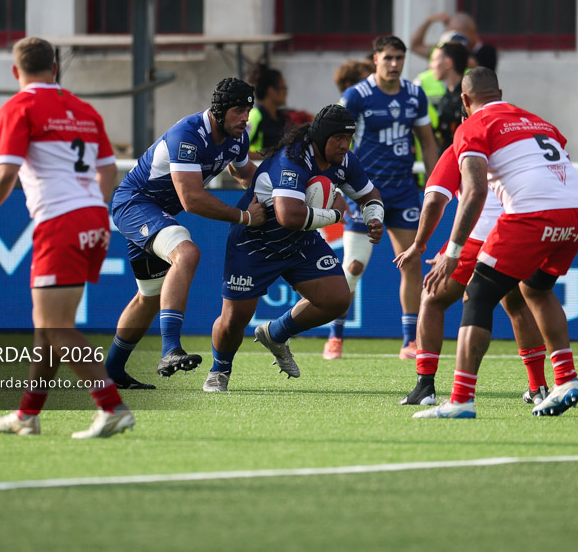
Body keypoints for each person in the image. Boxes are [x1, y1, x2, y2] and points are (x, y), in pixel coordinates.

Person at [0, 36, 134, 438]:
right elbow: (108, 168)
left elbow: (6, 171)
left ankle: (111, 406)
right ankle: (27, 415)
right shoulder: (83, 109)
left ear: (16, 72)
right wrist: (91, 207)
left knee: (56, 326)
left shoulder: (19, 105)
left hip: (60, 223)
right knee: (48, 326)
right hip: (95, 220)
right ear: (56, 67)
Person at [415, 67, 578, 419]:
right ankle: (566, 379)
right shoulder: (538, 122)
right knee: (537, 291)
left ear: (465, 100)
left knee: (478, 295)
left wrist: (451, 251)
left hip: (531, 214)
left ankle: (461, 399)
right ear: (500, 92)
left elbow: (475, 190)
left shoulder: (472, 126)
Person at [203, 105, 384, 391]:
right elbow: (289, 216)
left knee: (337, 299)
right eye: (337, 138)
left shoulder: (345, 160)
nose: (344, 145)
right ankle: (219, 371)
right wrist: (336, 215)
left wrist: (374, 217)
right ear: (321, 136)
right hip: (256, 242)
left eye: (348, 138)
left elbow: (369, 194)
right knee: (234, 319)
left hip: (300, 241)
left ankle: (276, 333)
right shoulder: (293, 158)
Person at [106, 78, 266, 384]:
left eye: (248, 109)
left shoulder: (237, 137)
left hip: (156, 212)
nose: (245, 117)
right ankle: (170, 349)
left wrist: (280, 192)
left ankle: (112, 370)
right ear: (218, 110)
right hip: (135, 204)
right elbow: (191, 200)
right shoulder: (188, 134)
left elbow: (246, 173)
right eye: (238, 110)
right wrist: (245, 216)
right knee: (187, 252)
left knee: (150, 296)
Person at [394, 146, 551, 407]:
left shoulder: (462, 144)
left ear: (466, 103)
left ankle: (426, 388)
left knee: (432, 299)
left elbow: (434, 199)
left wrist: (419, 244)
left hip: (477, 236)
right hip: (518, 232)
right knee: (517, 304)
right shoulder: (518, 141)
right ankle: (539, 388)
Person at [323, 35, 439, 360]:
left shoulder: (415, 95)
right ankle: (335, 335)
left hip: (403, 192)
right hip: (364, 194)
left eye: (399, 58)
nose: (394, 64)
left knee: (411, 263)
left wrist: (434, 185)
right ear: (375, 59)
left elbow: (427, 142)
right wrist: (335, 186)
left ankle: (409, 341)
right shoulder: (357, 96)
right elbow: (332, 139)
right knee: (354, 266)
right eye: (388, 57)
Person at [427, 41, 469, 152]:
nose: (430, 65)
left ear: (448, 62)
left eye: (434, 60)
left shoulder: (467, 99)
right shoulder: (448, 95)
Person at [246, 64, 291, 160]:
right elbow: (238, 151)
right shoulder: (255, 115)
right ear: (271, 91)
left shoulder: (281, 117)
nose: (285, 93)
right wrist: (269, 156)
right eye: (283, 88)